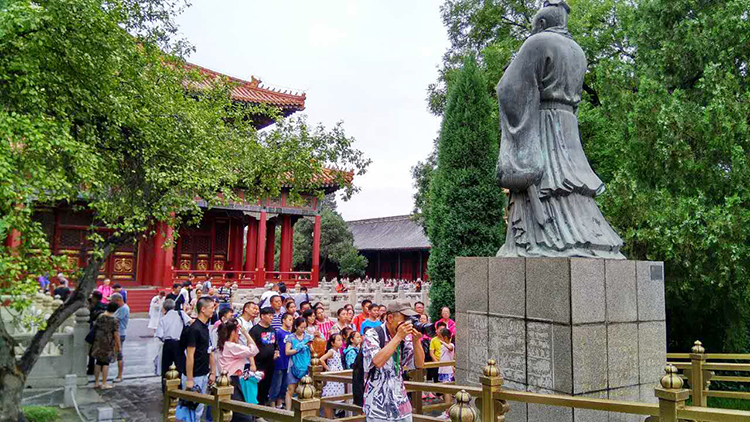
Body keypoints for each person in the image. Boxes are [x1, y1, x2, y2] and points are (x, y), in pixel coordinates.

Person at [362, 299, 425, 422]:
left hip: (401, 404)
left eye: (409, 319)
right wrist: (398, 337)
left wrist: (416, 341)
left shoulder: (405, 338)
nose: (408, 323)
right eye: (404, 318)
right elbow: (377, 361)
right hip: (378, 408)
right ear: (390, 318)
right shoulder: (373, 334)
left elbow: (419, 364)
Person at [176, 297, 216, 422]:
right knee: (190, 407)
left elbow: (209, 351)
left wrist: (212, 371)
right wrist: (189, 379)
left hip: (203, 372)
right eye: (211, 308)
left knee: (199, 407)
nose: (213, 310)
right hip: (194, 374)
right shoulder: (194, 329)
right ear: (203, 309)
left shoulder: (205, 327)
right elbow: (190, 355)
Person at [216, 318, 259, 422]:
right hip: (232, 381)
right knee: (242, 415)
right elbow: (254, 350)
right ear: (233, 332)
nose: (239, 335)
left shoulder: (223, 344)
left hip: (224, 380)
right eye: (237, 333)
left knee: (228, 411)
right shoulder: (232, 346)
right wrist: (246, 333)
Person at [156, 299, 190, 382]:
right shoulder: (180, 314)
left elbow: (160, 335)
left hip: (167, 343)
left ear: (164, 308)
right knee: (180, 366)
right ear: (174, 306)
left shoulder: (163, 319)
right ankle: (180, 384)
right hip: (179, 343)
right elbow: (189, 322)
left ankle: (166, 385)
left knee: (166, 367)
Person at [249, 307, 277, 406]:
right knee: (258, 388)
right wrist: (252, 363)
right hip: (258, 364)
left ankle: (263, 406)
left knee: (266, 387)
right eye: (269, 315)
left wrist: (276, 352)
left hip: (270, 364)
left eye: (272, 315)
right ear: (262, 316)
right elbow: (250, 347)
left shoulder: (272, 329)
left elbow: (275, 344)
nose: (271, 318)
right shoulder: (255, 330)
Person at [284, 317, 313, 411]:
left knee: (305, 390)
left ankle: (303, 411)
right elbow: (287, 352)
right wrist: (297, 349)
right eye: (301, 327)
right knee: (291, 389)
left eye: (304, 327)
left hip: (305, 366)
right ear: (296, 326)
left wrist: (310, 346)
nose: (303, 329)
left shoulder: (308, 337)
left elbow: (312, 351)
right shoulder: (291, 337)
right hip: (294, 366)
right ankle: (288, 411)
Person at [92, 301, 121, 390]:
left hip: (98, 341)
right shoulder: (114, 320)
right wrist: (118, 346)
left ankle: (96, 382)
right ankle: (104, 383)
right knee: (105, 363)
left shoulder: (100, 317)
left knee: (98, 362)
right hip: (108, 343)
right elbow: (116, 334)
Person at [269, 313, 294, 409]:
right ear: (283, 320)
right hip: (279, 362)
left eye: (292, 320)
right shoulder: (278, 332)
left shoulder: (291, 334)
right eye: (289, 319)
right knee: (276, 384)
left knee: (284, 385)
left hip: (287, 363)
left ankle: (279, 404)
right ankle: (272, 404)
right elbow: (274, 345)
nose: (291, 322)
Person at [319, 333, 345, 419]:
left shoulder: (338, 352)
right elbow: (321, 359)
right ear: (332, 343)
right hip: (332, 376)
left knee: (335, 399)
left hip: (338, 376)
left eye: (341, 340)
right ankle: (328, 417)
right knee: (329, 398)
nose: (341, 342)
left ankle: (331, 417)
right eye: (338, 340)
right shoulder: (331, 351)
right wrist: (328, 368)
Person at [437, 328, 455, 418]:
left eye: (440, 336)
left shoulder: (450, 344)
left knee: (447, 391)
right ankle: (447, 410)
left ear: (444, 337)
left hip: (448, 370)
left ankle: (448, 412)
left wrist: (443, 342)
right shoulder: (442, 346)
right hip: (442, 370)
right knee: (445, 391)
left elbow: (450, 348)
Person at [111, 293, 129, 383]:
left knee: (119, 354)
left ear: (118, 300)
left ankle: (120, 375)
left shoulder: (123, 309)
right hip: (117, 332)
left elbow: (114, 319)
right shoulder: (120, 308)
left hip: (120, 333)